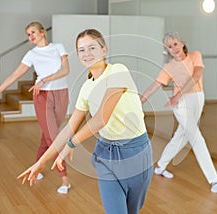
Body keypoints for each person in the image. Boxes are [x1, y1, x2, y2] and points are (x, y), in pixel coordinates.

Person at [18, 29, 153, 214]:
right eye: (81, 50)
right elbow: (69, 128)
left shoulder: (118, 71)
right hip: (106, 156)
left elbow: (101, 119)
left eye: (92, 48)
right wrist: (41, 162)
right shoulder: (86, 88)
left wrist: (71, 144)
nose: (87, 54)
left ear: (104, 50)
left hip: (137, 154)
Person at [0, 21, 70, 194]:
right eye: (28, 34)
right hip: (42, 96)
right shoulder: (32, 54)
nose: (31, 36)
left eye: (33, 32)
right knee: (53, 137)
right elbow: (14, 76)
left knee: (48, 135)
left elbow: (65, 70)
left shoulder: (58, 47)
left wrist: (45, 78)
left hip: (61, 94)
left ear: (43, 32)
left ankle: (37, 167)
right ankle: (64, 178)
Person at [140, 32, 217, 193]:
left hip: (197, 98)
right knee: (197, 138)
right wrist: (139, 102)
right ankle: (214, 180)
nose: (173, 48)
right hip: (180, 104)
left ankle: (160, 166)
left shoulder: (195, 56)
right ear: (167, 50)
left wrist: (178, 94)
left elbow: (196, 76)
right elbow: (154, 86)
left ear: (182, 43)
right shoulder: (168, 67)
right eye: (169, 47)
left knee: (181, 136)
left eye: (175, 44)